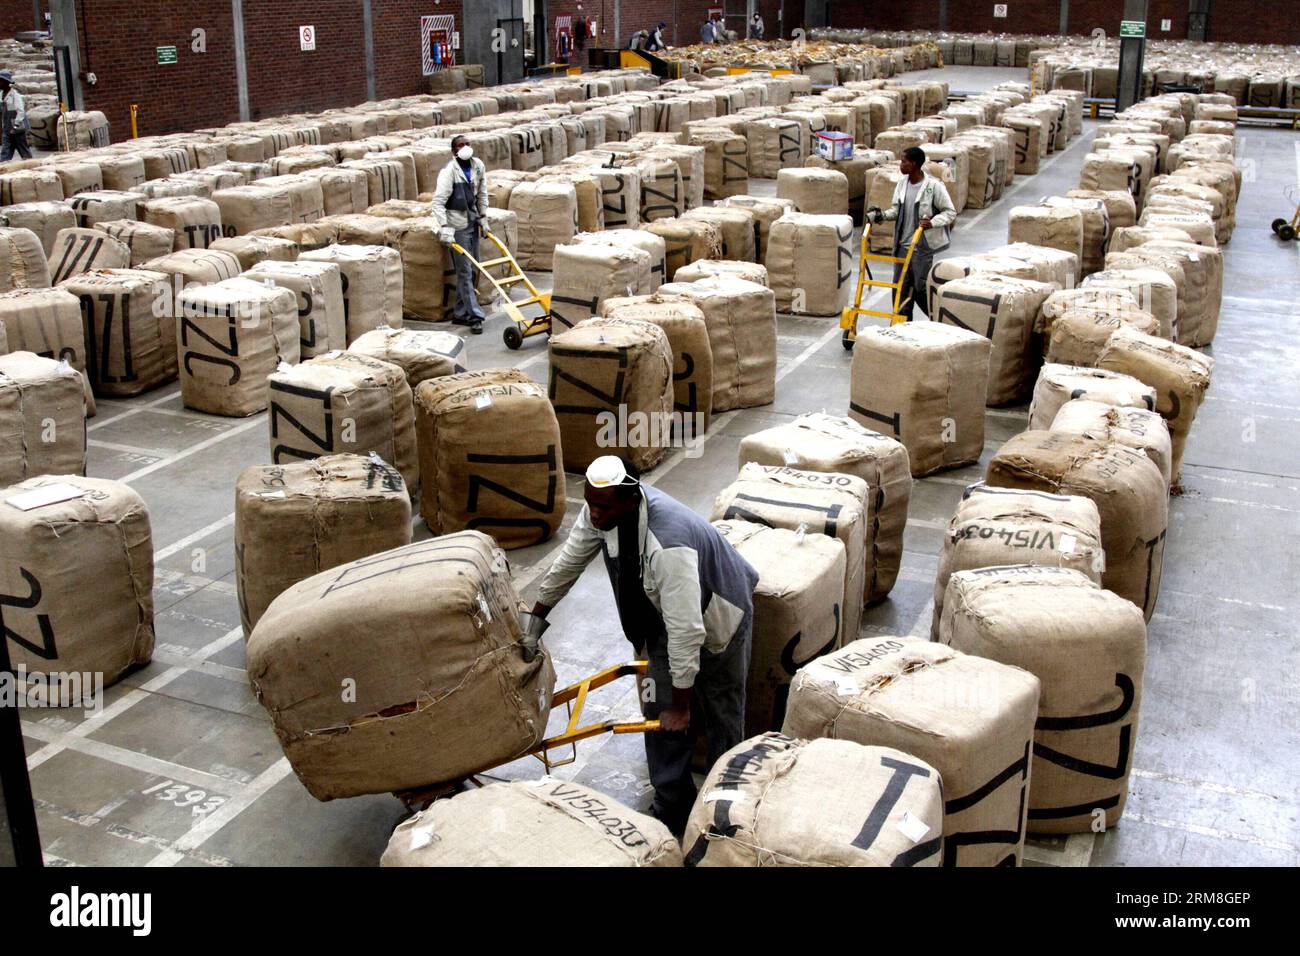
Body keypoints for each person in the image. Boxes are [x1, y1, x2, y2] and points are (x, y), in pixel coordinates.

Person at [533, 455, 759, 836]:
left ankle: (722, 813)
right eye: (589, 503)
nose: (593, 513)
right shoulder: (602, 512)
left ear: (630, 499)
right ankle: (672, 808)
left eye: (601, 506)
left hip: (718, 609)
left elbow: (687, 630)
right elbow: (567, 565)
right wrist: (534, 622)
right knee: (659, 711)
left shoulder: (667, 543)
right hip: (663, 618)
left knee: (721, 709)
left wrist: (683, 707)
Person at [870, 145, 957, 321]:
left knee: (919, 287)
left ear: (915, 164)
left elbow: (950, 212)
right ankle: (901, 324)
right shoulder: (902, 184)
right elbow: (896, 210)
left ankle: (939, 318)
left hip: (921, 247)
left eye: (904, 161)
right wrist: (881, 216)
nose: (900, 165)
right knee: (900, 287)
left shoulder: (933, 186)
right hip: (902, 246)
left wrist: (932, 222)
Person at [431, 134, 489, 333]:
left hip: (472, 222)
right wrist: (445, 227)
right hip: (457, 226)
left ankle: (460, 313)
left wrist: (484, 216)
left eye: (467, 144)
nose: (465, 147)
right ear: (454, 151)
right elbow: (437, 202)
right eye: (460, 145)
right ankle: (474, 316)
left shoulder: (478, 166)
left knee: (473, 269)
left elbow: (482, 193)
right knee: (464, 271)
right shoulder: (448, 172)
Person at [0, 71, 33, 162]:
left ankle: (30, 165)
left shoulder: (15, 95)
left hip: (18, 127)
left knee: (23, 149)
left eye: (0, 81)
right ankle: (4, 167)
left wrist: (15, 126)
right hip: (6, 127)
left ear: (6, 82)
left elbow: (21, 112)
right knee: (5, 152)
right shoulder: (1, 94)